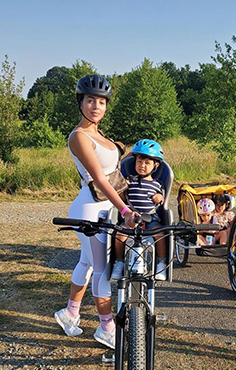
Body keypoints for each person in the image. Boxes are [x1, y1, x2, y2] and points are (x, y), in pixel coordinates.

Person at [54, 74, 139, 350]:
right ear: (81, 102)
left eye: (101, 102)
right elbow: (100, 179)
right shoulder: (78, 136)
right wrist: (125, 209)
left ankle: (69, 313)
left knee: (87, 263)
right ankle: (106, 328)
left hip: (106, 206)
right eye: (91, 100)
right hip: (91, 209)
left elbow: (113, 172)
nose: (96, 106)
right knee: (101, 269)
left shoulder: (100, 134)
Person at [111, 139, 168, 281]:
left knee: (160, 234)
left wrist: (159, 197)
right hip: (131, 218)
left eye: (147, 163)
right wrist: (123, 188)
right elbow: (122, 199)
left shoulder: (157, 184)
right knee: (120, 235)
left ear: (155, 165)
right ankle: (119, 262)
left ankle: (161, 262)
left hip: (150, 219)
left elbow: (162, 199)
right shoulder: (130, 181)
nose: (142, 165)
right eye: (139, 162)